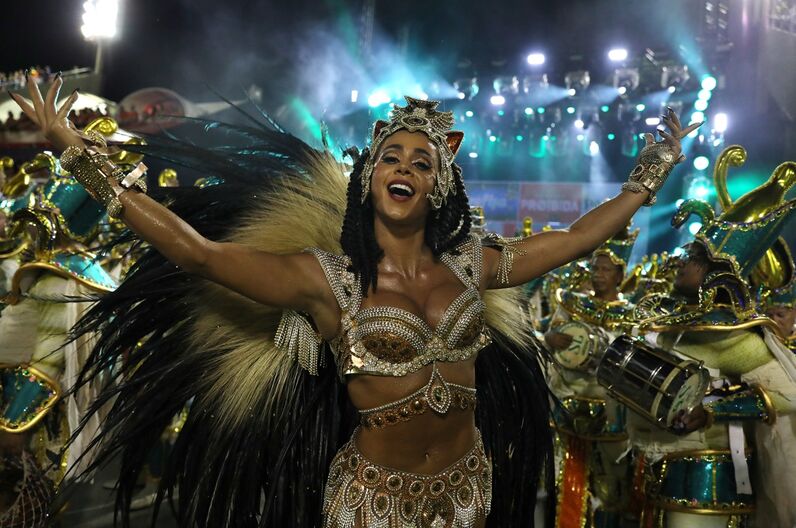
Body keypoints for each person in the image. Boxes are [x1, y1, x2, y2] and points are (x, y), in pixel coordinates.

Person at [11, 73, 698, 527]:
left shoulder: (475, 265)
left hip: (468, 493)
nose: (405, 165)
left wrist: (649, 175)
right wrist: (77, 152)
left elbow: (577, 237)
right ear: (368, 179)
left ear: (440, 188)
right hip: (371, 503)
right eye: (392, 156)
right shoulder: (322, 278)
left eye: (423, 161)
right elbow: (199, 253)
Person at [628, 159, 796, 528]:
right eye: (687, 254)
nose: (681, 262)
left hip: (709, 478)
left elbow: (786, 394)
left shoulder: (732, 335)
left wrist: (714, 410)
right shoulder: (670, 320)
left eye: (694, 258)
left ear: (716, 272)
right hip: (654, 472)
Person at [544, 226, 638, 528]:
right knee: (563, 480)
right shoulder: (572, 304)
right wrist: (552, 338)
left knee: (611, 489)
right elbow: (551, 334)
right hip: (568, 407)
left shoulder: (633, 315)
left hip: (610, 413)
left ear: (620, 274)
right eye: (595, 267)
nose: (598, 274)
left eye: (606, 269)